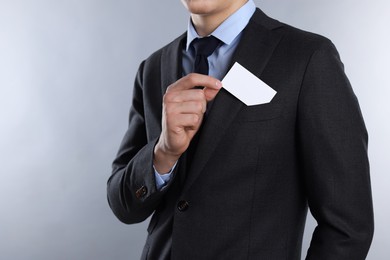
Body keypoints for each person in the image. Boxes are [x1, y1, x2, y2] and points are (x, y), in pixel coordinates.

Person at [107, 0, 374, 259]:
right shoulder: (153, 68)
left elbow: (349, 227)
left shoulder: (307, 57)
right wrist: (162, 155)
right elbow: (123, 206)